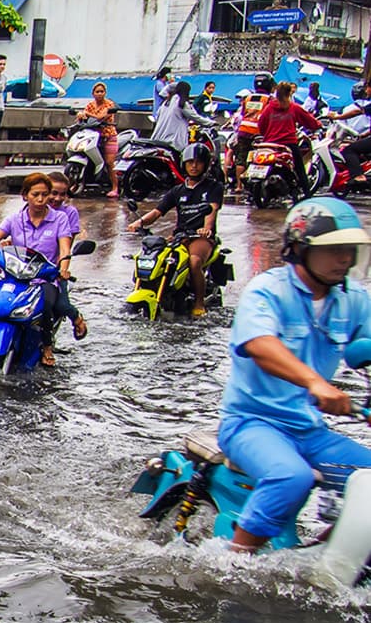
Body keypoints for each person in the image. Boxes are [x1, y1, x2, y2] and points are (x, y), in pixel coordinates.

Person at [217, 197, 371, 554]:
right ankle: (235, 562)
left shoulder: (353, 298)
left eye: (349, 249)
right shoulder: (268, 291)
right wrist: (316, 382)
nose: (344, 259)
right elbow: (259, 344)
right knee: (292, 478)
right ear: (300, 247)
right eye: (334, 249)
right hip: (251, 424)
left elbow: (365, 345)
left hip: (310, 430)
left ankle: (326, 558)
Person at [0, 172, 75, 368]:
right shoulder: (14, 219)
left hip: (44, 277)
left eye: (45, 194)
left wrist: (63, 268)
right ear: (25, 195)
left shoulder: (59, 219)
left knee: (46, 302)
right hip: (14, 275)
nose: (41, 199)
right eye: (35, 194)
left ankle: (46, 345)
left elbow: (64, 248)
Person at [127, 143, 224, 316]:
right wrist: (139, 223)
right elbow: (158, 212)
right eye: (190, 162)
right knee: (155, 257)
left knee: (194, 261)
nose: (194, 166)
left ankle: (199, 303)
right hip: (180, 237)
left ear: (205, 165)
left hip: (200, 238)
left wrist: (206, 229)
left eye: (198, 162)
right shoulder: (177, 190)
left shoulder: (213, 187)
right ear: (184, 164)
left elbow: (212, 210)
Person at [257, 79, 321, 198]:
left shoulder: (269, 108)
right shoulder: (293, 107)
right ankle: (307, 195)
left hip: (269, 144)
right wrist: (318, 125)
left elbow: (261, 124)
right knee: (300, 169)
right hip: (288, 144)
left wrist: (268, 135)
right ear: (289, 93)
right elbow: (309, 121)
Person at [47, 172, 89, 338]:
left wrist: (61, 268)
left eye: (62, 194)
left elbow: (66, 246)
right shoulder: (31, 211)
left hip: (52, 268)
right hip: (28, 268)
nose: (57, 198)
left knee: (60, 304)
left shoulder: (67, 214)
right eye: (53, 193)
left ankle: (76, 319)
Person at [231, 73, 276, 191]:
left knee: (241, 159)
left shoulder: (248, 98)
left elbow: (243, 114)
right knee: (260, 158)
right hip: (260, 133)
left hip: (243, 131)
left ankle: (239, 186)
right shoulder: (270, 99)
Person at [79, 82, 122, 198]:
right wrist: (80, 116)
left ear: (105, 93)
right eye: (97, 92)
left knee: (109, 163)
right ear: (93, 93)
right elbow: (83, 118)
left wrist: (86, 113)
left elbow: (100, 117)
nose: (99, 94)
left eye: (101, 91)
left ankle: (115, 188)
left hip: (108, 136)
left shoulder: (109, 104)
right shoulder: (90, 105)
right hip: (93, 136)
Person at [151, 80, 213, 152]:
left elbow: (164, 91)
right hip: (173, 142)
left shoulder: (165, 104)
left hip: (158, 140)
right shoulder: (182, 103)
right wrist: (210, 123)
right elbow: (195, 117)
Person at [333, 84, 371, 179]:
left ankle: (358, 177)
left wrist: (336, 116)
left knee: (349, 150)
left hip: (355, 137)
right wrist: (365, 134)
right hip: (361, 136)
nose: (366, 91)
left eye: (368, 88)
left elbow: (356, 112)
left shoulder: (348, 108)